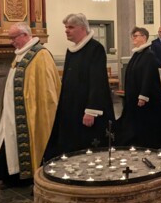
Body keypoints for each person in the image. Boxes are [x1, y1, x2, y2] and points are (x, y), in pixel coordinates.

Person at [0, 23, 61, 189]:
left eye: (14, 37)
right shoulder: (21, 54)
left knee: (24, 143)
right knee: (8, 141)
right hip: (11, 112)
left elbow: (47, 91)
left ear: (24, 35)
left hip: (30, 113)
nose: (11, 42)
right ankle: (10, 177)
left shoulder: (41, 55)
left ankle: (29, 177)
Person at [44, 13, 114, 160]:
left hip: (88, 109)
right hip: (71, 107)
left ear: (82, 28)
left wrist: (91, 110)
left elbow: (98, 81)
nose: (66, 30)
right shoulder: (72, 51)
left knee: (89, 147)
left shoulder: (95, 49)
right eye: (65, 27)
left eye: (71, 27)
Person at [115, 27, 161, 150]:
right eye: (132, 36)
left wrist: (143, 95)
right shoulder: (138, 54)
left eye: (136, 35)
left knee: (146, 125)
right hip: (134, 98)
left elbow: (148, 76)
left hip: (146, 100)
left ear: (144, 38)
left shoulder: (149, 55)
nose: (133, 38)